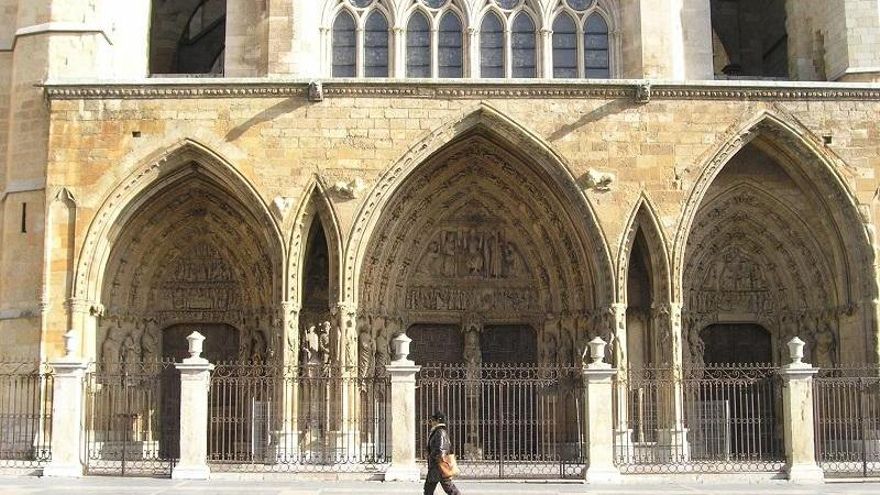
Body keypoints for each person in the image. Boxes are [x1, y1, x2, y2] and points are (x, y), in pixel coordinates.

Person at [425, 411, 462, 495]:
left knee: (448, 486)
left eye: (432, 420)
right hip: (437, 464)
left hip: (439, 465)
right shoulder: (438, 431)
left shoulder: (440, 432)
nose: (431, 422)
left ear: (437, 421)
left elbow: (441, 449)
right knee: (429, 488)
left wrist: (433, 457)